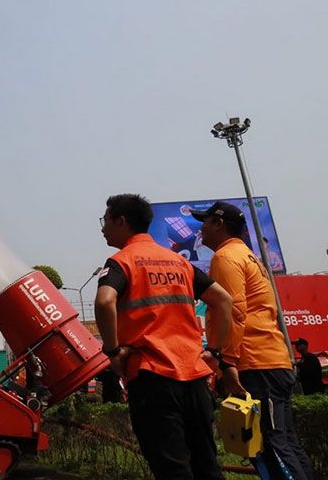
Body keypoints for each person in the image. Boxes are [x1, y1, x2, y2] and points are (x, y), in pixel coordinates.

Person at [94, 194, 235, 480]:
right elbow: (224, 301)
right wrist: (215, 351)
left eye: (105, 221)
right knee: (207, 466)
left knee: (172, 469)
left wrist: (112, 352)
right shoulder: (179, 262)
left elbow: (104, 301)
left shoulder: (121, 261)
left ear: (122, 221)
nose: (102, 228)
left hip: (152, 377)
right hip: (195, 377)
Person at [194, 201, 314, 480]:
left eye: (206, 221)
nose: (201, 228)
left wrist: (229, 362)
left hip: (255, 363)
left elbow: (233, 311)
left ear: (219, 224)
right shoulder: (248, 256)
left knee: (270, 445)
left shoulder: (225, 258)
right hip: (273, 361)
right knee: (285, 442)